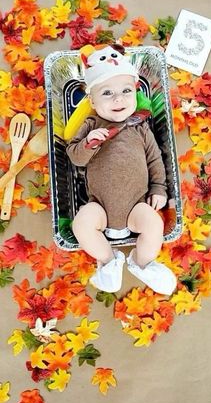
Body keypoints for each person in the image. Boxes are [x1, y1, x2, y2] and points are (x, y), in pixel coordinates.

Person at [66, 45, 177, 295]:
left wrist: (159, 188)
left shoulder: (139, 126)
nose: (118, 99)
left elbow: (155, 159)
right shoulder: (91, 124)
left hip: (136, 205)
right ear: (92, 101)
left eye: (126, 91)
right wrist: (88, 143)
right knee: (81, 225)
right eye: (107, 93)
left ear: (135, 93)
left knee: (153, 225)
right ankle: (108, 260)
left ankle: (142, 263)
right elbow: (75, 158)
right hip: (100, 206)